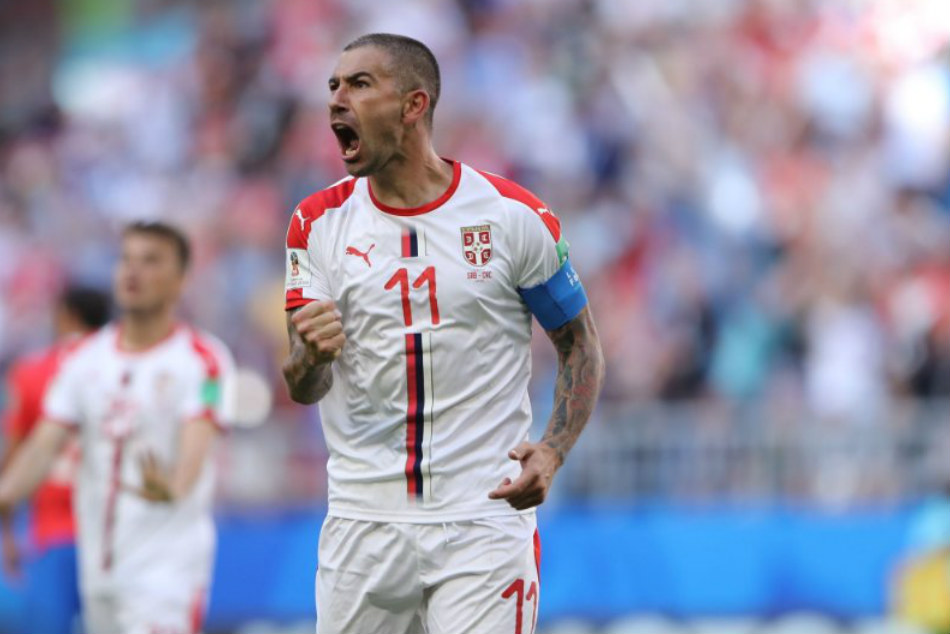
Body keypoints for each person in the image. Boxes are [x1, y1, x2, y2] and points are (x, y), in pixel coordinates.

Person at [282, 33, 605, 634]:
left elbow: (578, 342)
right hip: (362, 521)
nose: (336, 100)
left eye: (359, 84)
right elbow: (304, 385)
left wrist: (554, 449)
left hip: (482, 519)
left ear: (414, 104)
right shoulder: (316, 223)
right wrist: (308, 357)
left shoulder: (511, 216)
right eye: (333, 86)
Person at [0, 221, 236, 634]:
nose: (133, 271)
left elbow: (198, 442)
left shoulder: (203, 360)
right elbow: (42, 446)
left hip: (165, 572)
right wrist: (6, 494)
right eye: (126, 259)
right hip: (98, 570)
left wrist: (174, 486)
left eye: (151, 261)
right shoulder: (84, 361)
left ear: (181, 279)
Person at [0, 285, 110, 634]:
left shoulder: (32, 371)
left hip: (53, 531)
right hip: (114, 534)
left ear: (64, 314)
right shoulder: (123, 369)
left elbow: (15, 453)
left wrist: (8, 532)